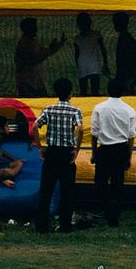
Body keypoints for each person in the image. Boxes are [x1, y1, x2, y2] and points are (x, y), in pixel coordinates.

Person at [32, 77, 83, 233]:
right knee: (67, 191)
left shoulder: (48, 109)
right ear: (70, 93)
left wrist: (40, 147)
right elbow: (80, 129)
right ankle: (65, 225)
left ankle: (42, 226)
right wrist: (77, 149)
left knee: (46, 190)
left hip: (52, 151)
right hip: (66, 152)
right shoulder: (75, 111)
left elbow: (34, 126)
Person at [90, 77, 136, 227]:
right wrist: (129, 156)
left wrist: (93, 153)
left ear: (108, 90)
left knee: (100, 181)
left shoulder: (99, 108)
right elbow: (131, 136)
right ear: (123, 92)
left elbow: (94, 133)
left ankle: (108, 206)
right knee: (118, 182)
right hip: (121, 149)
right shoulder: (129, 110)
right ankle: (114, 213)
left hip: (104, 149)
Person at [14, 17, 66, 96]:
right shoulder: (24, 43)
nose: (36, 30)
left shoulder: (32, 42)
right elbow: (33, 60)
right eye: (34, 27)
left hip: (36, 81)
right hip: (26, 82)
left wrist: (56, 46)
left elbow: (45, 52)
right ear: (29, 29)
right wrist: (49, 51)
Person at [72, 12, 110, 96]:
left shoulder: (77, 38)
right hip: (94, 65)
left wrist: (77, 65)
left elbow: (76, 54)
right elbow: (103, 49)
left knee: (83, 91)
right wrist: (105, 62)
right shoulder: (96, 34)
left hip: (82, 65)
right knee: (95, 90)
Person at [112, 11, 136, 94]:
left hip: (127, 74)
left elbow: (132, 57)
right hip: (128, 73)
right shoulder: (125, 37)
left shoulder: (124, 38)